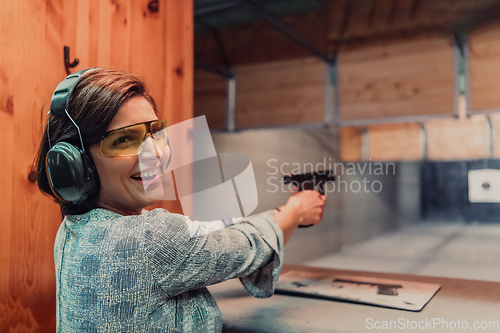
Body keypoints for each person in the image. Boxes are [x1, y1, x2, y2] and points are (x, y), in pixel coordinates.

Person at [35, 68, 326, 332]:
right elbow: (245, 247)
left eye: (156, 134)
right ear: (76, 166)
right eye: (125, 139)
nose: (157, 153)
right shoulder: (151, 238)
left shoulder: (72, 231)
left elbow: (195, 242)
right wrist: (295, 210)